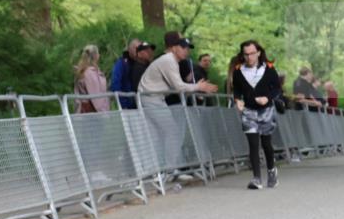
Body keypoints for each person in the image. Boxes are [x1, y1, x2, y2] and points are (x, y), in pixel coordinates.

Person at [138, 32, 218, 170]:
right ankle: (170, 169)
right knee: (172, 132)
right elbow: (179, 86)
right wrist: (199, 86)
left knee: (162, 134)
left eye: (187, 48)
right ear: (174, 48)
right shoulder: (169, 61)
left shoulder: (171, 61)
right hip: (151, 99)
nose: (186, 51)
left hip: (155, 99)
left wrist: (197, 87)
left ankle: (163, 169)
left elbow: (178, 86)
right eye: (183, 47)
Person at [232, 40, 282, 189]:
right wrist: (237, 100)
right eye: (246, 54)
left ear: (259, 52)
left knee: (266, 143)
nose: (249, 57)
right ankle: (256, 178)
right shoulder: (238, 70)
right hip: (249, 111)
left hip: (266, 110)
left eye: (252, 53)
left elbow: (277, 89)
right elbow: (237, 90)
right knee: (253, 144)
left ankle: (271, 171)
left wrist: (268, 98)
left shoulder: (269, 68)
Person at [75, 44, 109, 112]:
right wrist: (104, 112)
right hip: (92, 112)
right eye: (98, 53)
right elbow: (96, 98)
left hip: (85, 110)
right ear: (96, 56)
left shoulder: (83, 71)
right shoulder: (89, 74)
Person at [110, 38, 141, 109]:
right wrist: (123, 103)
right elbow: (115, 84)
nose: (138, 51)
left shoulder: (141, 63)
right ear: (129, 49)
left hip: (141, 103)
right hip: (128, 105)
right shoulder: (121, 63)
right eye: (135, 48)